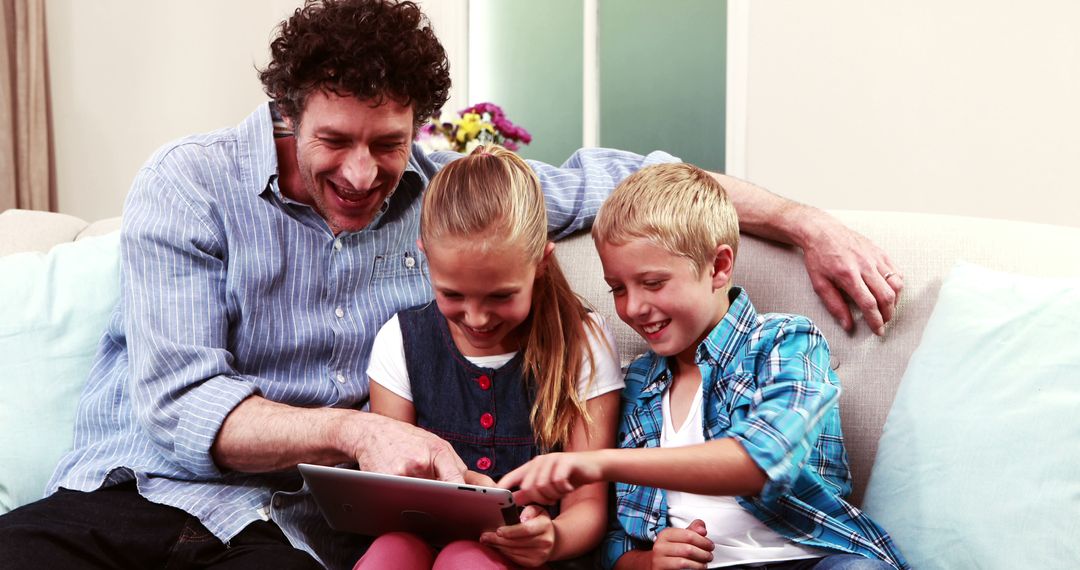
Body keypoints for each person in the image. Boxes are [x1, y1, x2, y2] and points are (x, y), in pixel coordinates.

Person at [0, 0, 903, 568]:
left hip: (283, 528)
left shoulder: (450, 200)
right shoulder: (189, 183)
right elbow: (180, 405)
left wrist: (805, 222)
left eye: (388, 144)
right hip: (127, 494)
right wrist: (359, 434)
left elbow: (642, 178)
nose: (362, 174)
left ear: (420, 130)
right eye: (335, 142)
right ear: (288, 113)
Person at [499, 163, 909, 570]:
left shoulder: (784, 342)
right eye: (618, 289)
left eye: (654, 283)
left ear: (718, 267)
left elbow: (761, 461)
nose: (634, 307)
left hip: (811, 560)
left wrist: (595, 462)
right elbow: (615, 544)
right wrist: (649, 561)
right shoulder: (638, 385)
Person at [354, 145, 622, 569]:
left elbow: (588, 507)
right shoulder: (400, 341)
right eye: (452, 294)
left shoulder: (582, 342)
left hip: (537, 556)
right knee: (392, 550)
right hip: (422, 541)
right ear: (425, 258)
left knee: (466, 558)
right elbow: (391, 495)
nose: (476, 318)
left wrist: (552, 538)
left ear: (541, 264)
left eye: (501, 296)